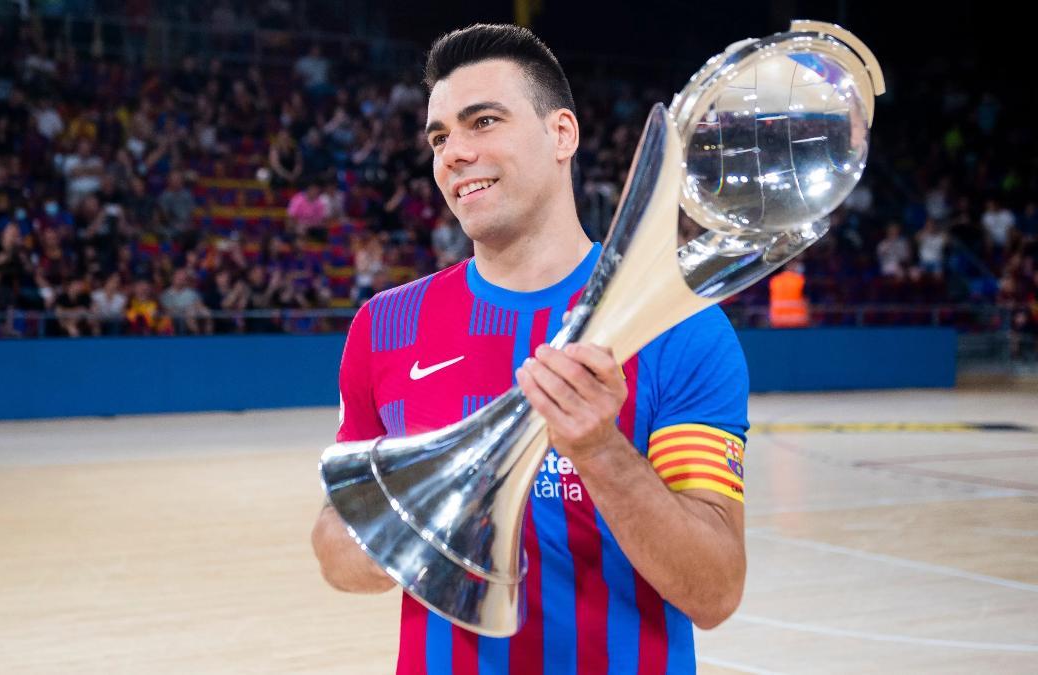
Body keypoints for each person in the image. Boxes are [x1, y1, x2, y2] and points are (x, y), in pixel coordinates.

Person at [310, 24, 749, 674]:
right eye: (439, 137)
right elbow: (334, 551)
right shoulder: (385, 327)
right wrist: (437, 493)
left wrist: (601, 451)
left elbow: (714, 589)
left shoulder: (681, 329)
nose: (454, 152)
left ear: (561, 134)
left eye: (482, 121)